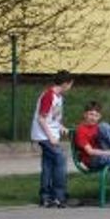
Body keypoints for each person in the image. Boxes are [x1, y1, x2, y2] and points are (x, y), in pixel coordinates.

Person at [30, 69, 74, 208]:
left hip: (51, 134)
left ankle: (45, 196)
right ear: (66, 83)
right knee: (60, 159)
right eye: (71, 84)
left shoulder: (59, 97)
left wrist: (61, 127)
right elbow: (42, 118)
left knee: (48, 165)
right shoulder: (49, 96)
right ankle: (59, 196)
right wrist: (51, 137)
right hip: (44, 136)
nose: (70, 88)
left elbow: (52, 118)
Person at [73, 101, 110, 207]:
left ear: (99, 116)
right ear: (85, 114)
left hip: (104, 153)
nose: (93, 118)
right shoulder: (81, 130)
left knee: (104, 126)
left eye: (96, 115)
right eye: (90, 114)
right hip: (91, 159)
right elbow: (90, 151)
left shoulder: (98, 127)